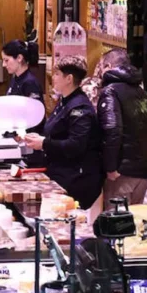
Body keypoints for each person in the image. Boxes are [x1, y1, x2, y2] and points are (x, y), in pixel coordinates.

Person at [19, 55, 104, 211]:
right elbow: (57, 132)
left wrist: (44, 143)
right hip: (60, 172)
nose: (54, 77)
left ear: (69, 79)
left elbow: (76, 145)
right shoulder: (65, 101)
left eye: (57, 74)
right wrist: (38, 139)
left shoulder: (80, 108)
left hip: (77, 179)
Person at [98, 64, 147, 207]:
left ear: (108, 66)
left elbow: (112, 130)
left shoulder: (110, 92)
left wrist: (110, 167)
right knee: (135, 221)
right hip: (143, 171)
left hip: (122, 172)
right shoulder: (141, 92)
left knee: (117, 223)